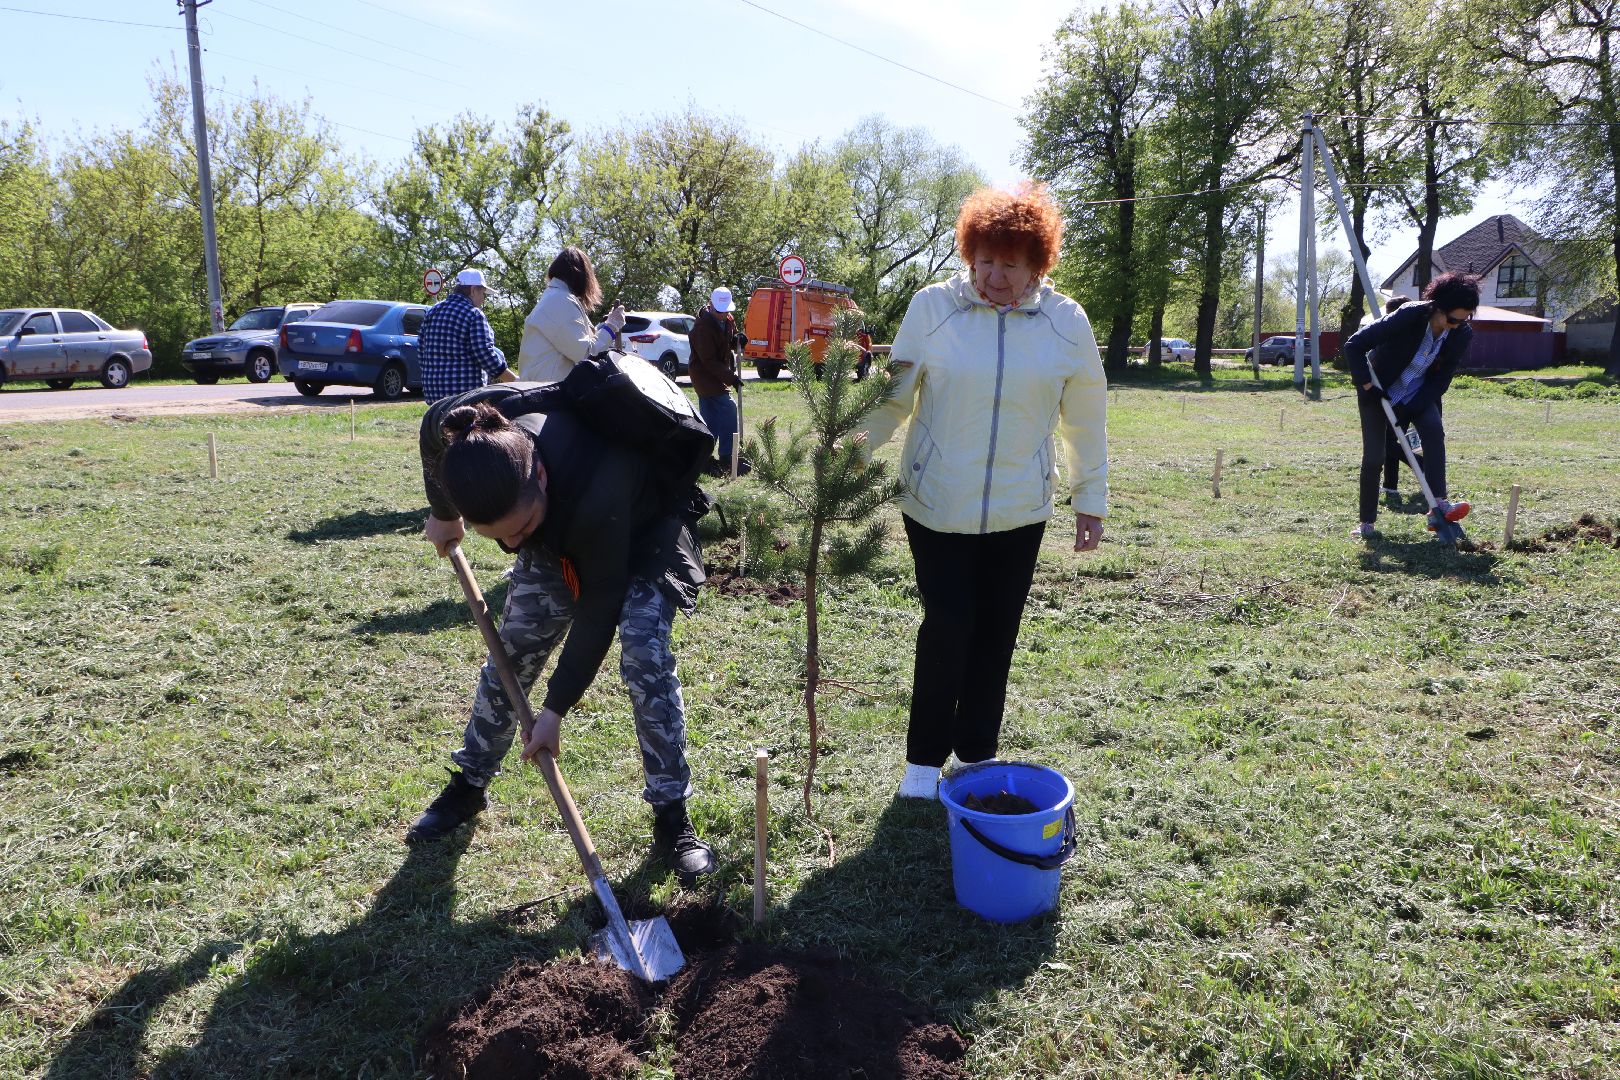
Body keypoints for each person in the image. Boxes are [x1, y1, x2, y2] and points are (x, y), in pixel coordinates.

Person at [856, 183, 1108, 800]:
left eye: (1011, 263)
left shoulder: (1066, 322)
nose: (995, 276)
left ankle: (974, 758)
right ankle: (920, 767)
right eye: (985, 260)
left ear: (1038, 263)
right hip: (937, 502)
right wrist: (850, 450)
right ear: (969, 255)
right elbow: (893, 398)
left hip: (1021, 510)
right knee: (948, 625)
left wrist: (1089, 497)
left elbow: (1084, 416)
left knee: (997, 635)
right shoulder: (931, 309)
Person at [407, 386, 716, 882]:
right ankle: (469, 784)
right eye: (498, 537)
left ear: (541, 476)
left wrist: (554, 713)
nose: (510, 546)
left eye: (519, 527)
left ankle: (672, 818)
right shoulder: (484, 426)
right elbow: (431, 428)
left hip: (640, 537)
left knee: (644, 653)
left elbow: (599, 606)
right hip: (561, 535)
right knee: (511, 653)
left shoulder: (600, 485)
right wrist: (445, 512)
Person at [1344, 272, 1478, 539]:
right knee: (1375, 457)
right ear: (1437, 307)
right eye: (1452, 319)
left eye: (1463, 319)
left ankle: (1438, 504)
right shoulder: (1409, 315)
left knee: (1433, 431)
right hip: (1378, 391)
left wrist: (1413, 406)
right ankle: (1366, 524)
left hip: (1419, 392)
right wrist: (1368, 386)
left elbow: (1442, 378)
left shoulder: (1461, 333)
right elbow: (1354, 345)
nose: (1456, 325)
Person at [517, 247, 625, 383]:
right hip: (549, 394)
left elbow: (578, 342)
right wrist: (611, 326)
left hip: (542, 389)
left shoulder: (554, 297)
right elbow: (586, 355)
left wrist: (606, 325)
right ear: (581, 276)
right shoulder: (560, 300)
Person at [420, 269, 514, 404]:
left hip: (434, 396)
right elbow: (485, 354)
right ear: (473, 290)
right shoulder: (474, 314)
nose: (483, 300)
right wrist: (514, 380)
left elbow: (421, 350)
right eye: (483, 293)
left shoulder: (432, 311)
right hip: (465, 396)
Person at [687, 286, 745, 474]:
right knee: (728, 409)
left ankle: (702, 459)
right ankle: (728, 458)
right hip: (704, 376)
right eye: (720, 310)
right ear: (711, 305)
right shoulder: (702, 328)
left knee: (710, 419)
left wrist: (738, 338)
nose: (723, 314)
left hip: (718, 373)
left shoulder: (728, 318)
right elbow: (709, 361)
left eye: (726, 310)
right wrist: (732, 379)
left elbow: (729, 339)